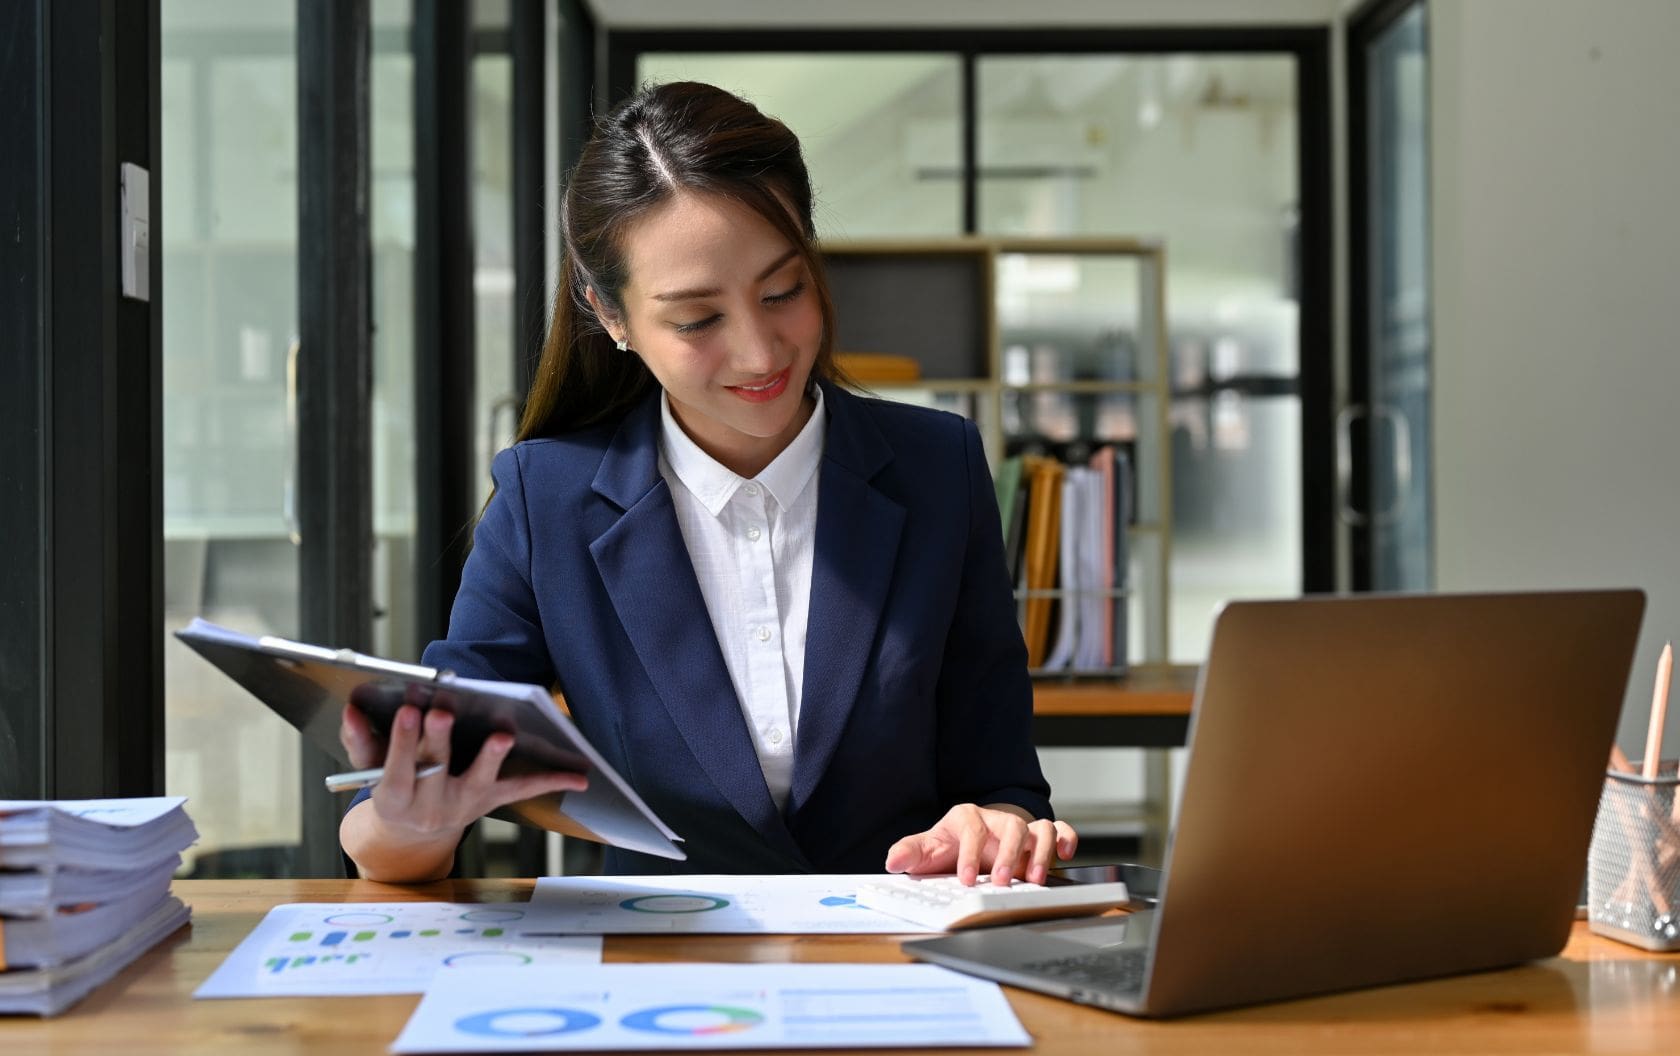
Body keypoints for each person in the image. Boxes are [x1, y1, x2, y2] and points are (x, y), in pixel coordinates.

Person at [339, 81, 1077, 885]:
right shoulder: (546, 499)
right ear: (610, 315)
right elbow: (403, 815)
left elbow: (1003, 779)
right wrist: (410, 824)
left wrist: (997, 826)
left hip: (896, 960)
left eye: (783, 292)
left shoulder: (940, 468)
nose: (761, 354)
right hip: (658, 976)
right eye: (696, 320)